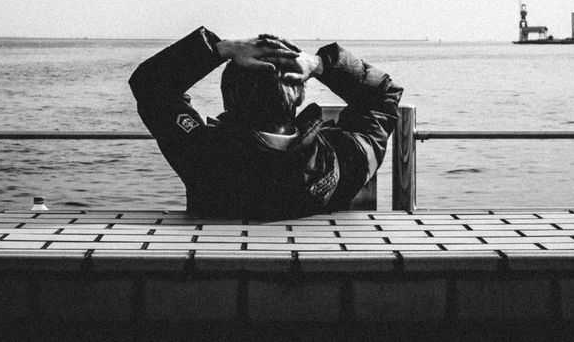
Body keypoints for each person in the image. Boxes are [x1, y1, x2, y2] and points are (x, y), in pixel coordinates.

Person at [129, 27, 403, 219]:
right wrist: (320, 64)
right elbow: (383, 95)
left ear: (229, 95)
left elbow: (150, 86)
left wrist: (221, 49)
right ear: (299, 93)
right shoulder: (341, 158)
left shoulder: (202, 155)